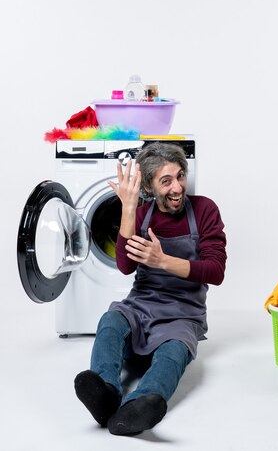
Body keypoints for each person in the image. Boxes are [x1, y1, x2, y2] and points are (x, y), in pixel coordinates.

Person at [74, 142, 227, 436]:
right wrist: (129, 209)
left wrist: (163, 260)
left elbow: (215, 271)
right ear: (150, 186)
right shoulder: (141, 214)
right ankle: (106, 393)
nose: (178, 187)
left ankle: (139, 405)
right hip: (140, 306)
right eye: (166, 181)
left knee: (173, 353)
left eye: (180, 176)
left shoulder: (205, 209)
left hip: (183, 314)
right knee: (110, 321)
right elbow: (125, 266)